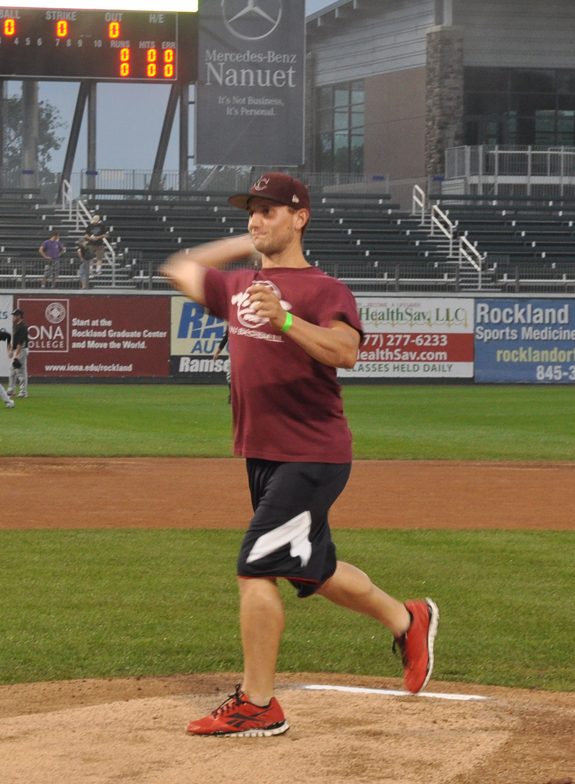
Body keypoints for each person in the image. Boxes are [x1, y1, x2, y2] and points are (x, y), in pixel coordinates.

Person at [161, 172, 438, 737]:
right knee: (315, 571)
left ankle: (259, 705)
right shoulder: (239, 285)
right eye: (251, 211)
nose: (256, 218)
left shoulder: (323, 289)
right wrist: (250, 243)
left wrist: (285, 318)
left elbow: (347, 352)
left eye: (269, 211)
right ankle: (406, 618)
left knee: (256, 567)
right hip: (262, 454)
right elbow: (179, 268)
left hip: (311, 453)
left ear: (300, 217)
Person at [7, 306, 30, 399]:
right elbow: (16, 341)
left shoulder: (23, 326)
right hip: (18, 350)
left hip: (22, 350)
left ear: (19, 315)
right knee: (12, 370)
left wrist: (16, 355)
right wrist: (12, 350)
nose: (13, 317)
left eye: (15, 315)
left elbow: (21, 342)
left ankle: (23, 392)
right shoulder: (17, 326)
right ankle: (11, 390)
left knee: (21, 371)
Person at [79, 222, 108, 289]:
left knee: (99, 257)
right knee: (90, 257)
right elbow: (86, 235)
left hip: (99, 244)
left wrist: (98, 237)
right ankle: (91, 269)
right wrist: (90, 238)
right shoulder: (90, 226)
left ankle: (98, 270)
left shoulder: (102, 226)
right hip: (91, 244)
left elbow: (105, 235)